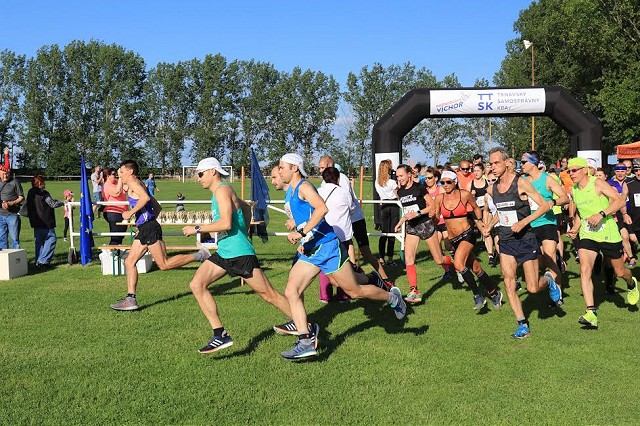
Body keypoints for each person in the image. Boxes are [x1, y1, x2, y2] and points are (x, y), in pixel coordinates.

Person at [279, 153, 405, 360]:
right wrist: (302, 237)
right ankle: (306, 340)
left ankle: (392, 297)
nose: (280, 170)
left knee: (354, 291)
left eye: (282, 167)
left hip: (328, 247)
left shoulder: (304, 187)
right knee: (292, 291)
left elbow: (322, 209)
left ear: (294, 168)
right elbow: (308, 217)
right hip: (312, 249)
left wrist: (301, 233)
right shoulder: (291, 190)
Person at [182, 157, 294, 354]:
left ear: (212, 172)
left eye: (200, 174)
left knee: (269, 294)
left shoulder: (222, 191)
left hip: (239, 253)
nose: (198, 178)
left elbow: (225, 223)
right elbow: (245, 206)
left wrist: (197, 228)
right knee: (197, 284)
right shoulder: (222, 191)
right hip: (226, 251)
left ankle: (306, 326)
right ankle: (220, 334)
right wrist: (242, 228)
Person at [110, 160, 209, 311]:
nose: (120, 175)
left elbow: (145, 199)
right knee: (129, 262)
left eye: (122, 172)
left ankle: (200, 255)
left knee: (164, 264)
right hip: (146, 228)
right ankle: (131, 299)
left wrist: (131, 213)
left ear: (130, 172)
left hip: (149, 228)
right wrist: (143, 223)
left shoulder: (135, 184)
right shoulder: (136, 183)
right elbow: (157, 206)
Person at [486, 147, 561, 339]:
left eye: (496, 163)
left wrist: (524, 222)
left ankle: (550, 279)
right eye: (491, 164)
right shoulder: (492, 189)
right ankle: (522, 324)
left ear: (506, 163)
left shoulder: (521, 183)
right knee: (509, 282)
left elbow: (544, 206)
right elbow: (500, 212)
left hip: (526, 239)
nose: (493, 167)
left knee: (532, 288)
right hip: (506, 241)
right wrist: (489, 225)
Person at [567, 157, 639, 329]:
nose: (571, 174)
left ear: (585, 169)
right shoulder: (575, 189)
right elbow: (581, 214)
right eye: (569, 171)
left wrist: (601, 213)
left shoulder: (598, 183)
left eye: (574, 170)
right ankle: (591, 312)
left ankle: (631, 283)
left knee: (620, 271)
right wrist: (576, 228)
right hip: (587, 234)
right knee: (585, 269)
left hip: (608, 233)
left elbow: (620, 200)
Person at [434, 170, 502, 310]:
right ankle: (494, 292)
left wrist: (480, 223)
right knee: (475, 268)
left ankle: (477, 295)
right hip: (453, 239)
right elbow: (435, 216)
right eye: (442, 182)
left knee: (458, 264)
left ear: (455, 182)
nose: (445, 185)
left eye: (448, 182)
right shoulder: (439, 198)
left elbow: (476, 208)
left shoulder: (464, 194)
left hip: (467, 234)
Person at [318, 155, 391, 285]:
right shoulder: (324, 182)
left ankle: (385, 279)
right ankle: (354, 278)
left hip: (355, 219)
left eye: (322, 167)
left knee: (365, 252)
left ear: (330, 165)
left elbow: (348, 202)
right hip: (342, 222)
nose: (320, 170)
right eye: (319, 168)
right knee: (343, 252)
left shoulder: (342, 178)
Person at [394, 165, 452, 303]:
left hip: (425, 225)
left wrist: (418, 213)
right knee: (409, 258)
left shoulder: (419, 187)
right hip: (412, 227)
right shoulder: (400, 192)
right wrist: (401, 221)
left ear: (409, 175)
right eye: (397, 176)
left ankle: (455, 265)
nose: (399, 178)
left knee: (439, 260)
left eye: (401, 175)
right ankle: (414, 290)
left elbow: (432, 206)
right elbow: (407, 211)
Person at [521, 151, 569, 304]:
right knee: (537, 260)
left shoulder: (546, 179)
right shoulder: (522, 180)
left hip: (546, 223)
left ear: (533, 162)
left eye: (523, 162)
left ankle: (558, 295)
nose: (521, 165)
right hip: (529, 225)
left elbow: (564, 198)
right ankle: (551, 280)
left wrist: (552, 203)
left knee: (549, 258)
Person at [26, 176, 64, 269]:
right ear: (39, 183)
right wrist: (63, 202)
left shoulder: (30, 193)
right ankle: (43, 261)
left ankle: (38, 262)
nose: (45, 184)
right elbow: (52, 204)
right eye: (43, 182)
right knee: (51, 239)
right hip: (46, 221)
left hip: (35, 221)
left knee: (39, 243)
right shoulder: (44, 193)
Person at [374, 159, 399, 265]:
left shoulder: (377, 182)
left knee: (384, 232)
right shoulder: (392, 182)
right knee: (392, 232)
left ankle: (381, 257)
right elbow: (398, 193)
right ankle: (390, 258)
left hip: (383, 205)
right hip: (393, 205)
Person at [471, 163, 495, 263]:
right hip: (477, 211)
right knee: (485, 231)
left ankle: (496, 252)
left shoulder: (487, 181)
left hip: (489, 208)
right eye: (474, 171)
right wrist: (472, 196)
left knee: (492, 231)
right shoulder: (471, 183)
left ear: (482, 171)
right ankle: (490, 255)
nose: (476, 173)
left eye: (478, 170)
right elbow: (468, 200)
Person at [0, 159, 24, 249]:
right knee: (2, 240)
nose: (5, 175)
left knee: (15, 240)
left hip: (12, 215)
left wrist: (11, 203)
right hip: (0, 215)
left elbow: (21, 197)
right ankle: (4, 262)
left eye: (7, 174)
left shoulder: (15, 182)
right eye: (3, 174)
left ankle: (16, 261)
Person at [101, 167, 128, 245]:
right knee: (116, 237)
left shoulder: (118, 182)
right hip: (113, 212)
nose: (115, 175)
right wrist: (120, 178)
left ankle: (116, 254)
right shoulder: (107, 185)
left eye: (116, 174)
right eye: (113, 174)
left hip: (123, 212)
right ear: (107, 176)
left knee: (121, 236)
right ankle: (111, 254)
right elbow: (117, 192)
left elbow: (127, 188)